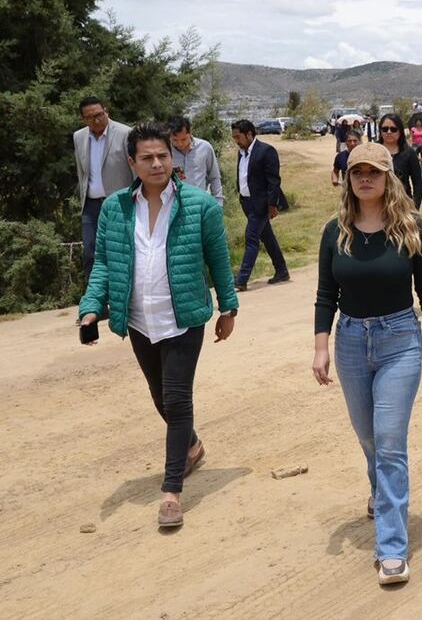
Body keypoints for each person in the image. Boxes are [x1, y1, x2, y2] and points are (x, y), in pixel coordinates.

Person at [79, 122, 238, 528]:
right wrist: (91, 307)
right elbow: (104, 263)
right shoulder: (116, 207)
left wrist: (228, 307)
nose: (156, 164)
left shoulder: (199, 204)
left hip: (183, 318)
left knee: (177, 398)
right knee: (160, 397)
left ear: (173, 158)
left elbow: (218, 260)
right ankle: (192, 445)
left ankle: (171, 491)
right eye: (147, 158)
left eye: (163, 156)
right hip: (138, 321)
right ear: (131, 162)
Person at [312, 142, 422, 586]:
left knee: (389, 441)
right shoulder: (335, 231)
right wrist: (320, 347)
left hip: (400, 339)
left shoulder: (412, 227)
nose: (365, 178)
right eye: (357, 172)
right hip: (350, 340)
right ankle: (379, 489)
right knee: (368, 436)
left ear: (388, 176)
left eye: (373, 171)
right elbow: (325, 295)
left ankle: (391, 547)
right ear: (348, 179)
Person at [74, 96, 134, 279]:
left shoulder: (126, 133)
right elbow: (81, 171)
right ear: (84, 119)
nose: (96, 119)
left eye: (99, 114)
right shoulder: (79, 136)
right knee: (90, 252)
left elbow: (135, 169)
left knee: (121, 251)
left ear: (106, 111)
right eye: (90, 117)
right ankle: (96, 303)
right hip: (91, 206)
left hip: (120, 203)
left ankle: (123, 296)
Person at [231, 119, 290, 291]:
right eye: (234, 137)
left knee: (251, 238)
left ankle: (241, 279)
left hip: (261, 204)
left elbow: (274, 181)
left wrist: (272, 205)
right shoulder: (241, 152)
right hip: (247, 203)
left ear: (249, 134)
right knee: (267, 237)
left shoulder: (266, 151)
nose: (236, 140)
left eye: (238, 137)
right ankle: (282, 270)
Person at [168, 116, 224, 206]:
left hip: (200, 203)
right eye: (175, 140)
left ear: (190, 133)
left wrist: (218, 203)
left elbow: (214, 177)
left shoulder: (205, 148)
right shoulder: (166, 151)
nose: (180, 143)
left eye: (184, 139)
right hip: (175, 205)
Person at [377, 113, 422, 210]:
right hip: (378, 206)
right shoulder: (373, 151)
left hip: (403, 206)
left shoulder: (409, 153)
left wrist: (415, 208)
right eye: (385, 129)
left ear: (400, 131)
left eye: (393, 129)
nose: (389, 132)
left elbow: (417, 182)